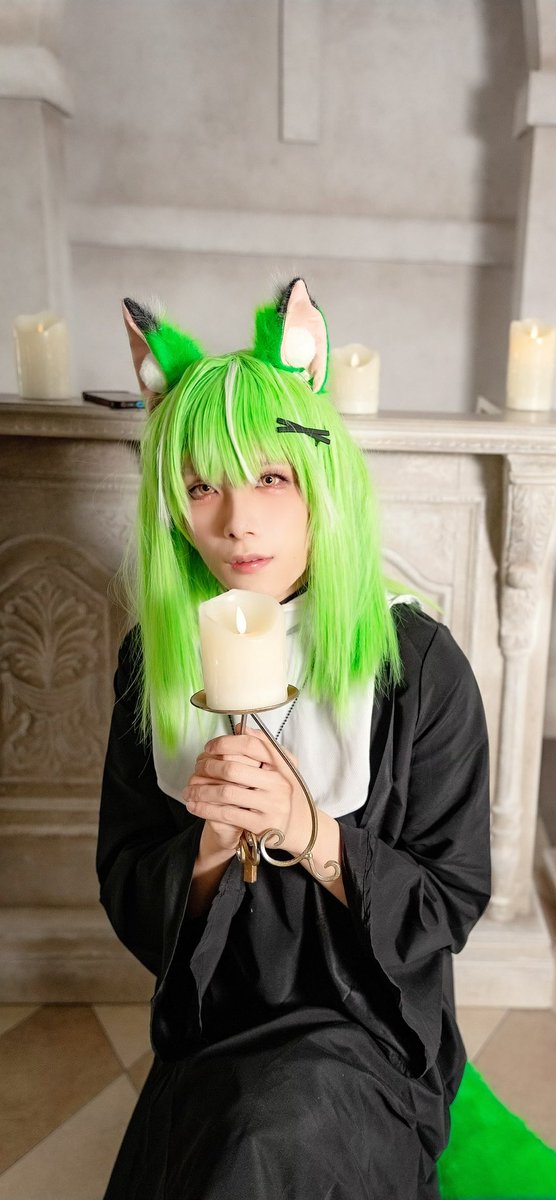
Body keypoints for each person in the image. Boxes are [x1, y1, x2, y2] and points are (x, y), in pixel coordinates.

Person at [97, 278, 492, 1200]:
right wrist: (209, 847)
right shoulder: (151, 660)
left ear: (322, 482)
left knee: (265, 1145)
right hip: (213, 1018)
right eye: (201, 486)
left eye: (270, 477)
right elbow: (125, 875)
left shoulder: (418, 665)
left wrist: (310, 832)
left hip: (367, 1023)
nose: (236, 521)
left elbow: (451, 900)